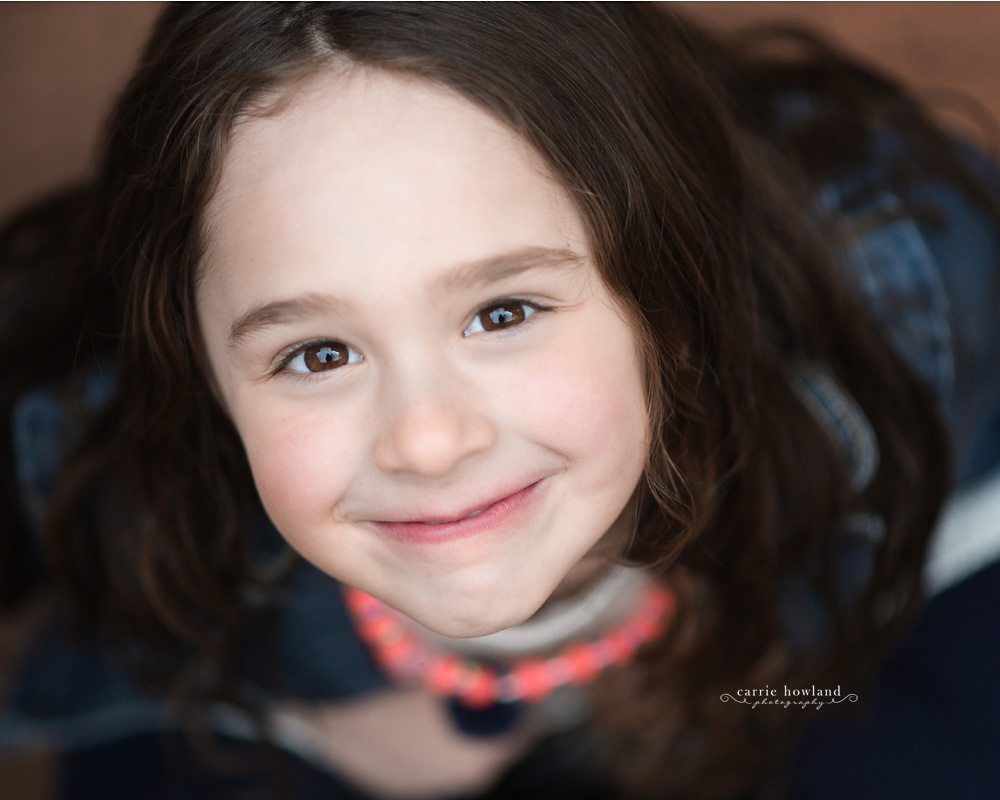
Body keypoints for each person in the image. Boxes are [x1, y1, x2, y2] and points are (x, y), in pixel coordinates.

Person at [2, 3, 999, 799]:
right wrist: (332, 720)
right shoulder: (100, 444)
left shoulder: (893, 283)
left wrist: (725, 698)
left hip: (817, 652)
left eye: (502, 311)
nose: (428, 440)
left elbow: (791, 678)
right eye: (318, 353)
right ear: (197, 368)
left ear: (673, 285)